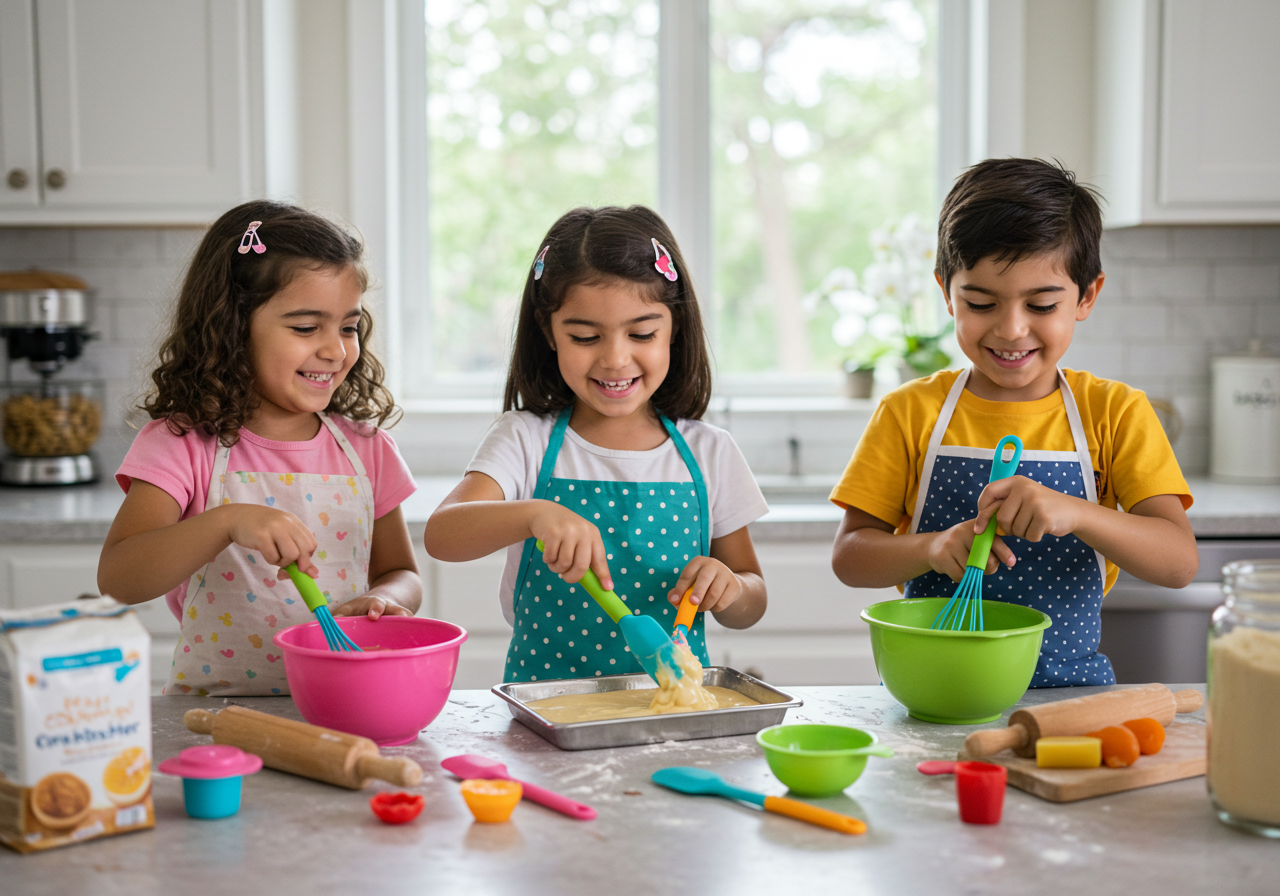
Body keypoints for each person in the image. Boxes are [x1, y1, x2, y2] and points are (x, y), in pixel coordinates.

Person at [830, 159, 1197, 687]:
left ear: (1086, 297)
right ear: (945, 292)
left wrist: (1078, 512)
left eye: (1042, 304)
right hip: (935, 696)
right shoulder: (910, 413)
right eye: (980, 302)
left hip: (1067, 704)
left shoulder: (1115, 413)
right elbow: (850, 557)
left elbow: (1179, 563)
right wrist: (930, 548)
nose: (1011, 329)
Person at [425, 206, 769, 682]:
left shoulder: (711, 452)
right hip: (548, 707)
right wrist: (534, 514)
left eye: (642, 333)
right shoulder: (525, 438)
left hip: (670, 709)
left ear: (675, 328)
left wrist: (730, 588)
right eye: (585, 336)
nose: (615, 358)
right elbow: (443, 535)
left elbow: (751, 601)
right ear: (549, 331)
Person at [98, 200, 421, 696]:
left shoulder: (367, 449)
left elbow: (400, 572)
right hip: (216, 717)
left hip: (341, 702)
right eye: (306, 328)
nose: (336, 350)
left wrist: (382, 600)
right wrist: (228, 521)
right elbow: (120, 578)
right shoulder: (183, 445)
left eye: (348, 327)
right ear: (232, 326)